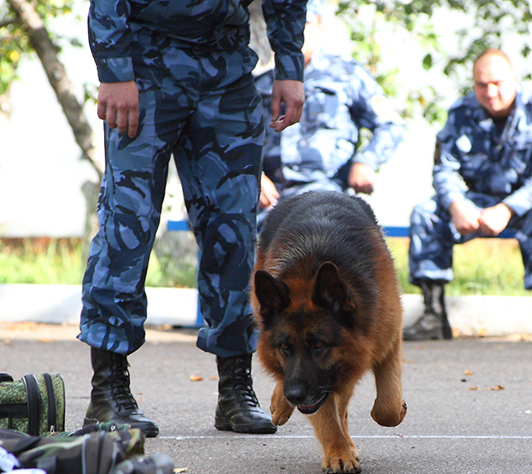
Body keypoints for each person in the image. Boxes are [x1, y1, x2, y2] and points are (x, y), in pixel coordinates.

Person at [79, 0, 306, 437]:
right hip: (144, 65)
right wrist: (114, 70)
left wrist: (290, 67)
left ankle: (235, 388)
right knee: (127, 226)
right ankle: (108, 393)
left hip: (226, 70)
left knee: (234, 232)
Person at [404, 48, 532, 343]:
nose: (489, 92)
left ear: (514, 80)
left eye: (497, 83)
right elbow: (444, 169)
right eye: (481, 84)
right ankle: (434, 314)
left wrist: (507, 209)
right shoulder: (461, 112)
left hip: (527, 203)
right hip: (476, 201)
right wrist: (457, 205)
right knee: (425, 213)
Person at [255, 1, 405, 213]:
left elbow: (391, 125)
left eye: (302, 25)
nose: (295, 34)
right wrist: (252, 175)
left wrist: (366, 161)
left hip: (325, 193)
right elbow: (234, 135)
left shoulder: (346, 75)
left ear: (319, 25)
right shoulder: (260, 84)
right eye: (288, 26)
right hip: (268, 198)